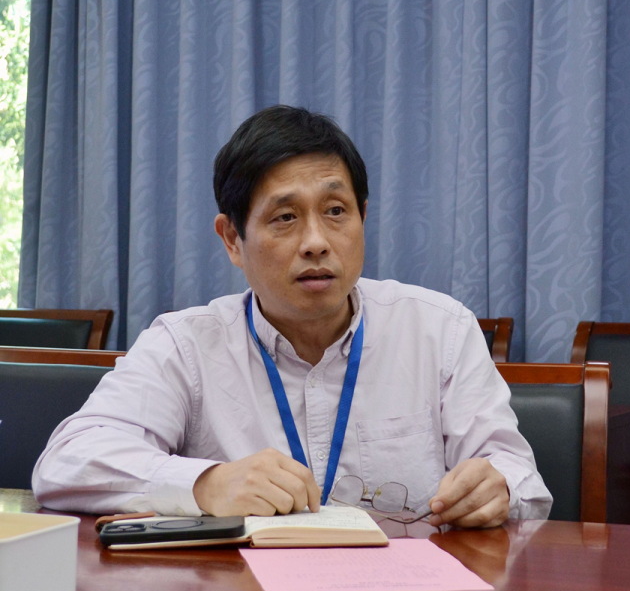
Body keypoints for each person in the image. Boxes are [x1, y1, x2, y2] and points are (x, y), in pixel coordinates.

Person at [33, 106, 552, 527]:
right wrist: (206, 484)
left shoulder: (440, 331)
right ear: (232, 239)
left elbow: (518, 473)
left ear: (363, 216)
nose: (316, 242)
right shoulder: (185, 345)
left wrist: (498, 487)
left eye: (336, 211)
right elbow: (67, 461)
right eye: (285, 217)